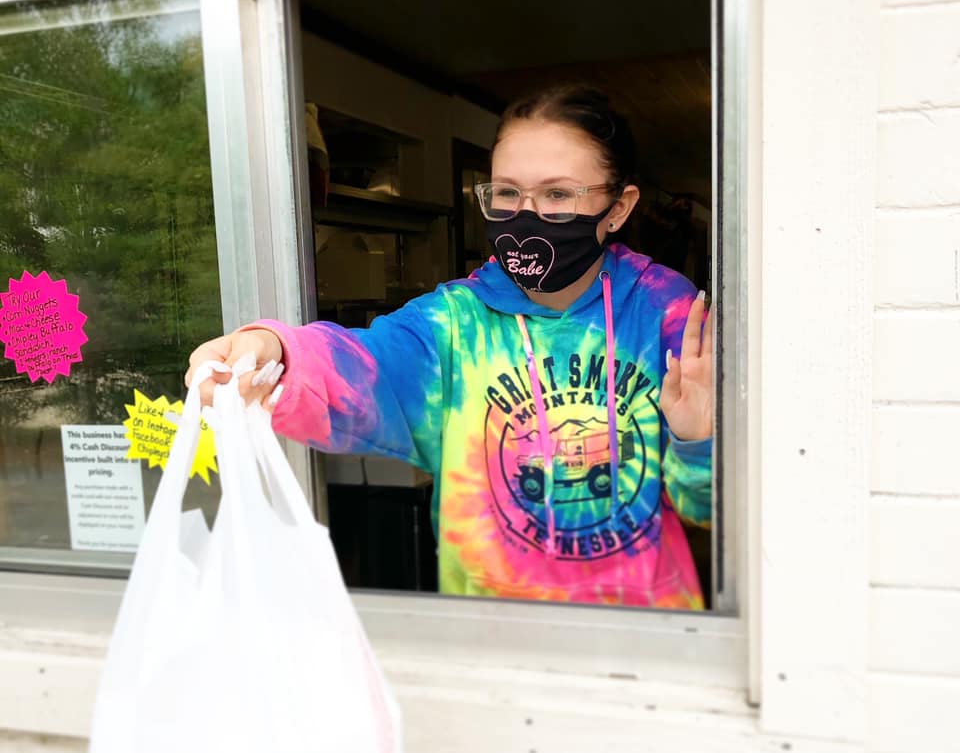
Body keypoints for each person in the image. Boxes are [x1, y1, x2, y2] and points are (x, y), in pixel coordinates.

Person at [187, 84, 714, 609]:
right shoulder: (453, 321)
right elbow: (363, 363)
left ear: (618, 208)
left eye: (557, 195)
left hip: (644, 626)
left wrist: (698, 441)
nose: (526, 214)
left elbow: (706, 508)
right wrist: (273, 351)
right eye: (507, 193)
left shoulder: (665, 312)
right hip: (490, 629)